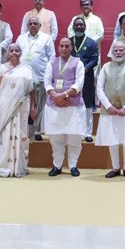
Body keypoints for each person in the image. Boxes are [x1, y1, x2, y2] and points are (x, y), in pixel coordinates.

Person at [96, 41, 125, 179]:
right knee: (112, 138)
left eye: (121, 50)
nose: (119, 53)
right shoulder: (105, 67)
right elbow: (99, 88)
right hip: (110, 111)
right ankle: (115, 167)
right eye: (116, 50)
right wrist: (108, 106)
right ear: (112, 52)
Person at [0, 43, 35, 178]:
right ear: (8, 53)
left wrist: (33, 108)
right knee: (4, 134)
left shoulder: (27, 69)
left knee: (21, 132)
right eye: (11, 50)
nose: (14, 52)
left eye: (17, 50)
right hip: (5, 105)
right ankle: (3, 166)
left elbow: (31, 91)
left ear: (21, 53)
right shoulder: (1, 68)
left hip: (22, 106)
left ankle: (19, 167)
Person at [44, 38, 86, 177]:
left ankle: (73, 165)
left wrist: (63, 95)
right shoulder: (52, 62)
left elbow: (79, 84)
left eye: (66, 46)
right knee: (56, 138)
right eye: (61, 46)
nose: (63, 48)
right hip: (55, 105)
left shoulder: (78, 63)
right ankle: (57, 165)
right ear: (58, 47)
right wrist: (55, 96)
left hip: (73, 106)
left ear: (71, 48)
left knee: (74, 137)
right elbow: (47, 81)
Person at [15, 16, 55, 141]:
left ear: (39, 25)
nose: (32, 25)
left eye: (35, 23)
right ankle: (24, 129)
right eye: (30, 23)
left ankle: (37, 130)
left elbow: (52, 58)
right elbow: (15, 55)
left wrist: (49, 77)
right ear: (27, 26)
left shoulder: (46, 38)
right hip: (23, 78)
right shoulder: (21, 38)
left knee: (39, 105)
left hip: (41, 77)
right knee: (24, 104)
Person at [69, 17, 99, 142]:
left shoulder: (92, 43)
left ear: (85, 27)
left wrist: (84, 69)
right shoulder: (69, 41)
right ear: (73, 27)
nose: (79, 27)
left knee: (87, 105)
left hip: (87, 77)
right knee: (72, 104)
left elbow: (94, 59)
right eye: (77, 25)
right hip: (71, 78)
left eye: (81, 25)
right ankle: (74, 131)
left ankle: (88, 133)